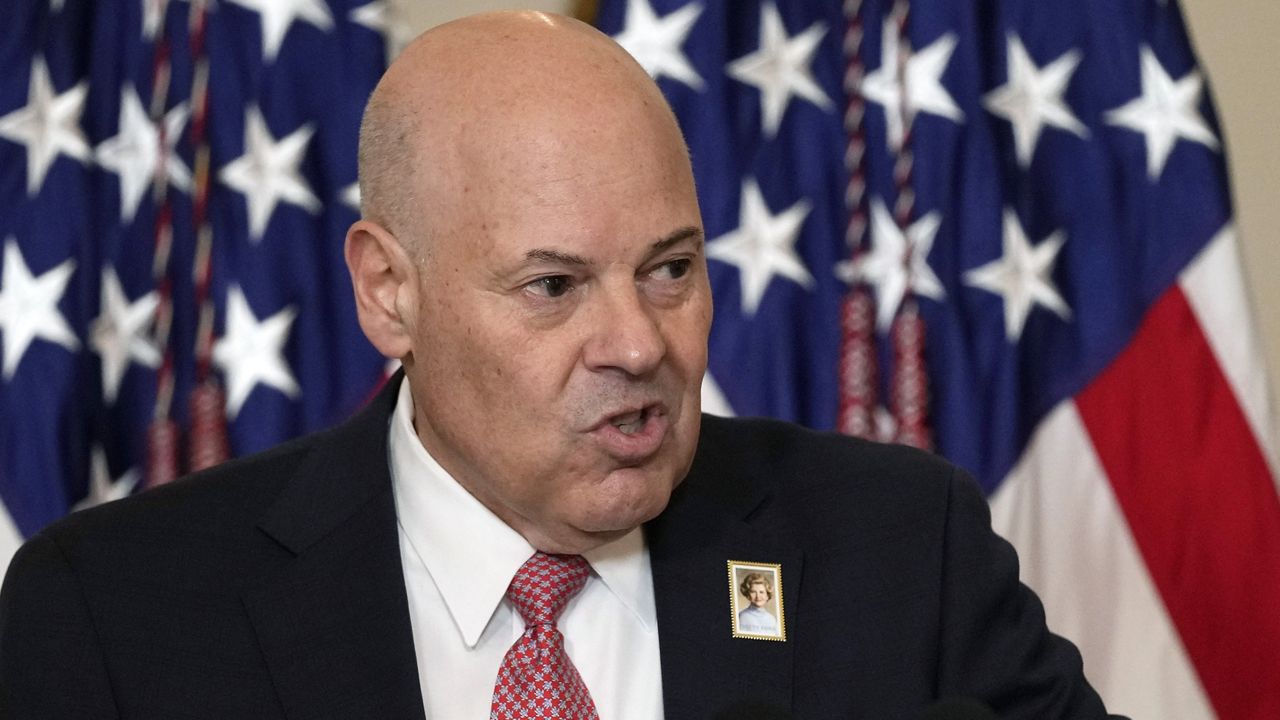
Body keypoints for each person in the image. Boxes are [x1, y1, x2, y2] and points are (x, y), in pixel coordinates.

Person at [0, 10, 1127, 720]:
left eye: (670, 269)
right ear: (391, 292)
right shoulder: (115, 616)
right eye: (553, 287)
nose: (638, 344)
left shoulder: (895, 551)